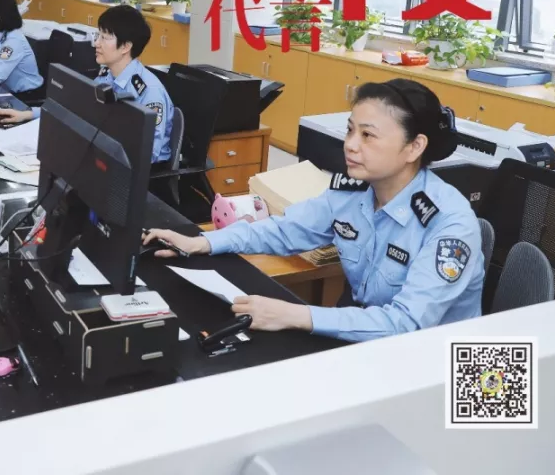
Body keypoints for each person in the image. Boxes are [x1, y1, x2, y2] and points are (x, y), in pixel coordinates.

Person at [142, 78, 484, 343]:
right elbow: (284, 230)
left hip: (431, 362)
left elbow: (405, 324)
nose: (350, 145)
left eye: (368, 136)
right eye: (350, 130)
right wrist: (203, 242)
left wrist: (295, 315)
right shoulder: (353, 192)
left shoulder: (449, 224)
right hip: (364, 339)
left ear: (414, 147)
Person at [0, 5, 175, 163]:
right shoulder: (106, 77)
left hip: (139, 178)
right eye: (98, 35)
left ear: (126, 46)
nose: (96, 43)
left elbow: (147, 154)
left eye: (104, 37)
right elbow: (76, 107)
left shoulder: (149, 92)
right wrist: (28, 114)